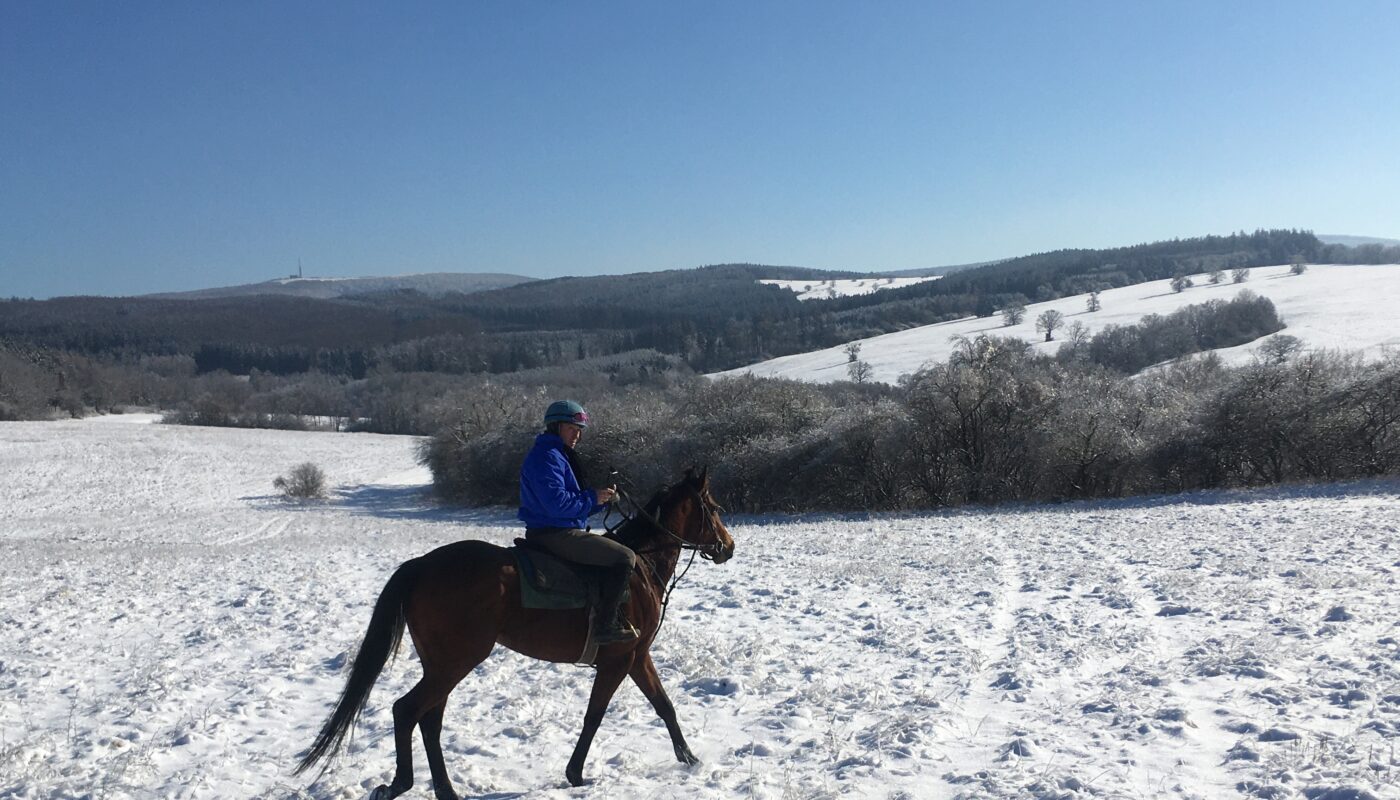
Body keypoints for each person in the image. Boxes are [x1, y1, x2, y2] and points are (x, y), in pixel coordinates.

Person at [518, 400, 638, 644]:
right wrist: (592, 497)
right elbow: (557, 505)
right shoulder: (548, 457)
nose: (577, 436)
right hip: (554, 534)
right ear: (555, 427)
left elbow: (567, 505)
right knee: (625, 557)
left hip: (557, 528)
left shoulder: (556, 454)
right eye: (571, 428)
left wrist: (600, 500)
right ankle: (606, 625)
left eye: (579, 430)